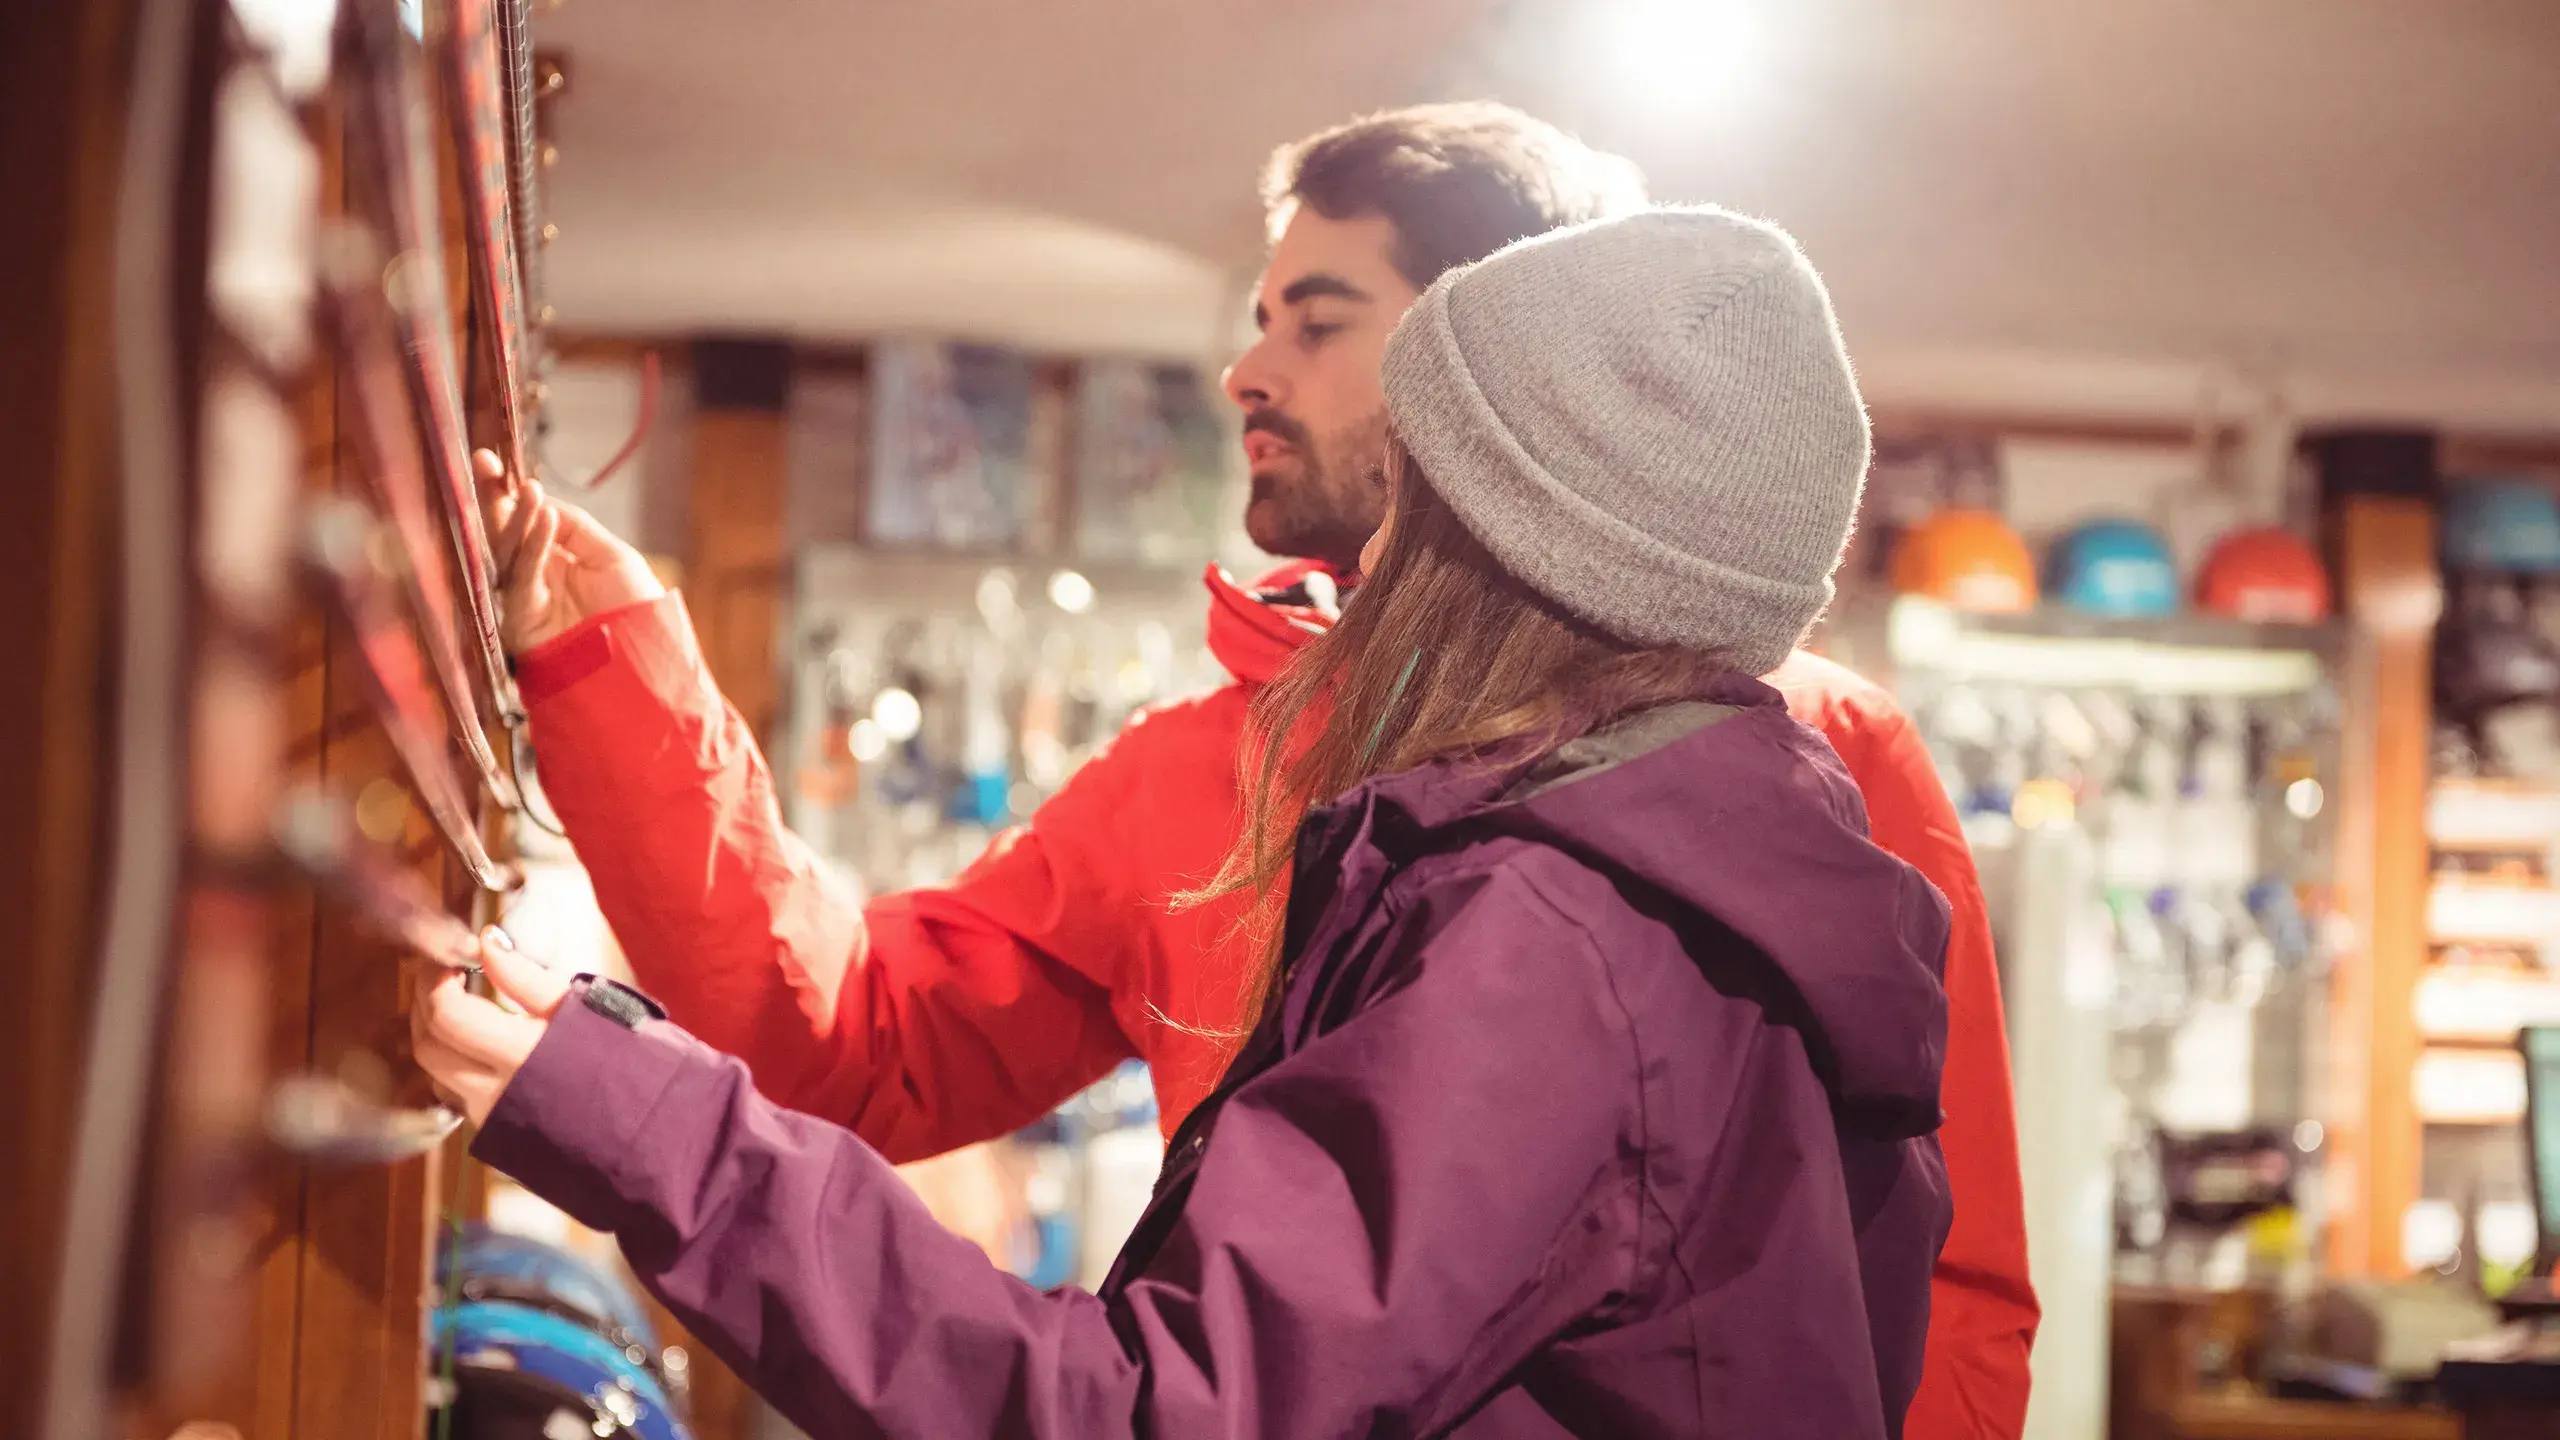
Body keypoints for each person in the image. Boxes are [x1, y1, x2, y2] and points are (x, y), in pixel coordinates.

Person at [474, 104, 2033, 1435]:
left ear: (1500, 390)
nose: (1245, 369)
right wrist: (608, 666)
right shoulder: (1216, 770)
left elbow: (1934, 1285)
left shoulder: (1758, 777)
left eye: (1319, 319)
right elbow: (861, 1038)